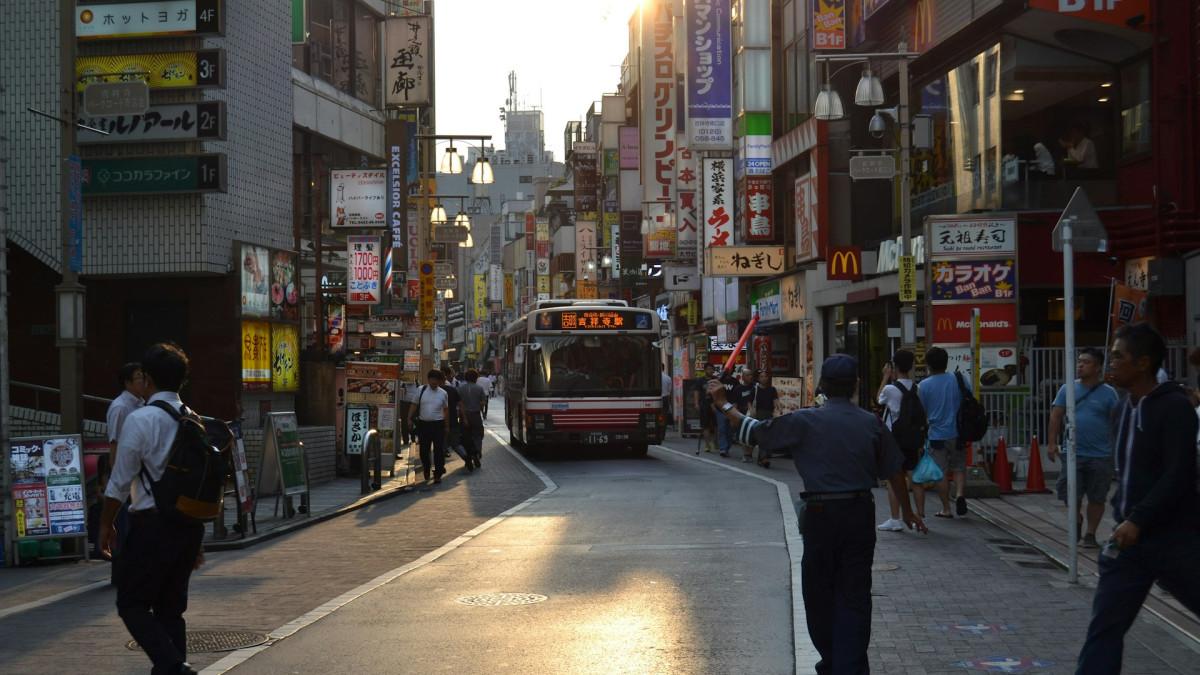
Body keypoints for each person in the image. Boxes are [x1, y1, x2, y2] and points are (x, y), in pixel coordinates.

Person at [707, 355, 926, 674]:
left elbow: (754, 432)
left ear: (822, 385)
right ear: (856, 386)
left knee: (818, 592)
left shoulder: (805, 421)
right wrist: (908, 512)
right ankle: (850, 666)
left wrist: (723, 404)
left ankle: (833, 661)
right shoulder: (871, 423)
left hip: (820, 515)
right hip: (858, 512)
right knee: (854, 593)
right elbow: (895, 471)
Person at [1075, 323, 1200, 673]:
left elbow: (1178, 475)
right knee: (1105, 627)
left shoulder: (1173, 408)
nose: (1110, 364)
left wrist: (1138, 518)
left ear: (1143, 363)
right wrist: (1125, 517)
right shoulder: (1122, 408)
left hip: (1175, 540)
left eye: (1118, 357)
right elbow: (1128, 474)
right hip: (1130, 544)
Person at [99, 344, 204, 675]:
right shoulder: (195, 420)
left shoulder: (141, 420)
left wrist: (105, 524)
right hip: (188, 527)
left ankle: (174, 665)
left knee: (131, 603)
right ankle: (173, 667)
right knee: (170, 610)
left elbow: (119, 482)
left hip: (152, 527)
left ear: (146, 378)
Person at [1046, 347, 1120, 548]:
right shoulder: (1067, 389)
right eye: (1079, 361)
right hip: (1073, 453)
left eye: (1086, 362)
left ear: (1097, 367)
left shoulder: (1109, 393)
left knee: (1097, 496)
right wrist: (1052, 443)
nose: (1080, 365)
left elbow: (1116, 421)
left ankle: (1090, 534)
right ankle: (1076, 518)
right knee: (1069, 492)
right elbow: (1056, 416)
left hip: (1101, 454)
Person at [876, 350, 922, 532]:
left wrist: (886, 377)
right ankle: (920, 514)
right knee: (914, 476)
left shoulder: (890, 389)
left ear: (894, 367)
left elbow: (879, 400)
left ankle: (895, 519)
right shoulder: (919, 388)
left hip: (894, 437)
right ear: (912, 366)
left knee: (894, 478)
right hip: (913, 437)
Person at [917, 346, 965, 518]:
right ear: (947, 362)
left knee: (941, 472)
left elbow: (921, 411)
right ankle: (959, 494)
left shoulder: (923, 385)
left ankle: (946, 508)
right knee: (959, 467)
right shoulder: (958, 378)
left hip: (936, 434)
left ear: (928, 364)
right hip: (958, 432)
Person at [104, 363, 145, 562]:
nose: (143, 381)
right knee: (123, 526)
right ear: (127, 382)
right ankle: (121, 569)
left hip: (138, 476)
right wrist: (116, 476)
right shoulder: (120, 407)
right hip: (125, 475)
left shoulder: (142, 404)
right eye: (138, 377)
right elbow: (115, 444)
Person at [408, 369, 450, 483]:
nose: (434, 382)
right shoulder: (421, 390)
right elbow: (414, 405)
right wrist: (409, 419)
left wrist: (447, 426)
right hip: (424, 425)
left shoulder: (443, 393)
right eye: (433, 379)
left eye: (437, 380)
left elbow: (446, 410)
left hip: (438, 425)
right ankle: (426, 467)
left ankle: (438, 473)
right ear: (428, 379)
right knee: (424, 450)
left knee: (439, 451)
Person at [457, 369, 487, 471]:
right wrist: (479, 407)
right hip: (475, 415)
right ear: (476, 378)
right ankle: (477, 453)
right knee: (478, 435)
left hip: (464, 415)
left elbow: (458, 404)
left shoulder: (460, 388)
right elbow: (483, 401)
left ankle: (468, 456)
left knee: (465, 437)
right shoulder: (479, 388)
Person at [752, 370, 779, 466]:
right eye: (761, 376)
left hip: (769, 414)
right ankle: (763, 458)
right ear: (758, 378)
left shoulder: (772, 389)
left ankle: (763, 457)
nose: (764, 378)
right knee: (762, 436)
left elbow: (776, 402)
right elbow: (750, 402)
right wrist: (752, 411)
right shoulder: (755, 389)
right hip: (758, 414)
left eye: (765, 376)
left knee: (768, 436)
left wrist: (777, 410)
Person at [734, 368, 758, 463]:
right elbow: (735, 403)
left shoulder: (755, 387)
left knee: (752, 435)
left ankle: (750, 454)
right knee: (742, 435)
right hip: (742, 414)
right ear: (743, 377)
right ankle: (745, 454)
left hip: (753, 414)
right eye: (748, 375)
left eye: (751, 375)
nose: (750, 377)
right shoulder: (738, 389)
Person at [660, 363, 673, 429]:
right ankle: (663, 428)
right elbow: (669, 391)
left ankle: (659, 426)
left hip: (656, 398)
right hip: (665, 398)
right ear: (663, 368)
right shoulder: (668, 378)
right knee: (664, 415)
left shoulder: (653, 377)